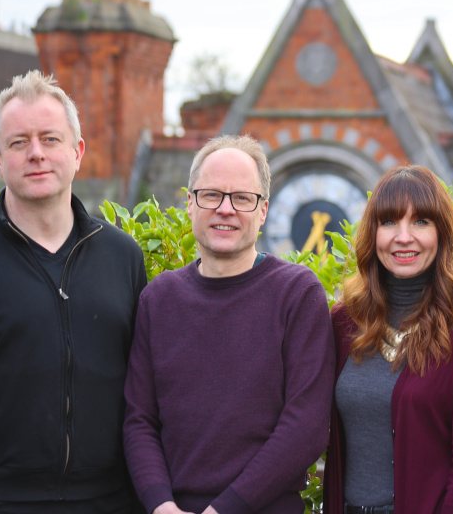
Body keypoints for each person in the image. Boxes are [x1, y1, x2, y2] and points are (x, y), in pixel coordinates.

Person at [0, 70, 148, 513]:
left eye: (50, 139)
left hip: (108, 501)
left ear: (77, 151)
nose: (36, 154)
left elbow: (144, 397)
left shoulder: (122, 257)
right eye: (18, 142)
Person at [123, 135, 335, 514]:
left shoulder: (296, 295)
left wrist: (225, 509)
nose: (225, 209)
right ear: (189, 204)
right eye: (211, 195)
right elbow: (139, 419)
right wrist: (160, 504)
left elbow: (306, 426)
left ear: (264, 210)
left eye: (242, 198)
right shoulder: (159, 299)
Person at [323, 165, 453, 514]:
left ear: (442, 233)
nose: (403, 237)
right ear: (372, 234)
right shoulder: (345, 322)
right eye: (389, 222)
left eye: (421, 222)